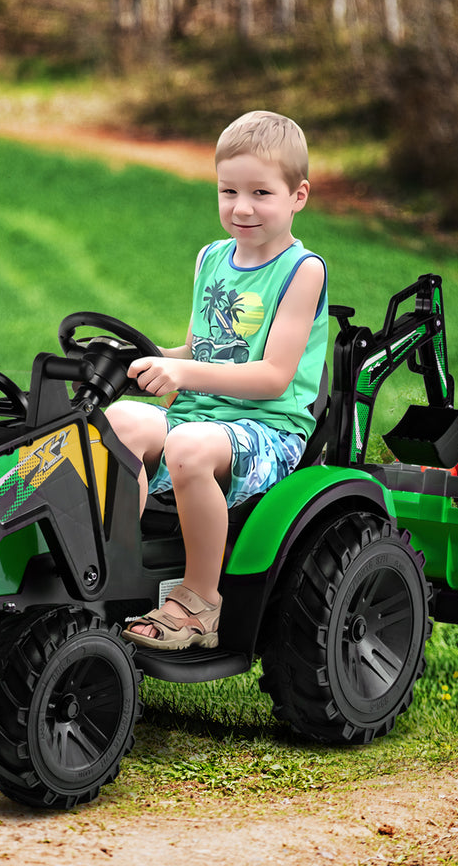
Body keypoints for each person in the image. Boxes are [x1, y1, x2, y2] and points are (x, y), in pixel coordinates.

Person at [108, 110, 328, 651]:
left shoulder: (303, 271)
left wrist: (181, 370)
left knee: (185, 446)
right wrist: (146, 357)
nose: (242, 207)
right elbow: (197, 348)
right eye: (229, 191)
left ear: (298, 196)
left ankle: (200, 601)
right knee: (114, 424)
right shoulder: (212, 258)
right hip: (198, 417)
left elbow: (274, 376)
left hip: (267, 432)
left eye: (261, 192)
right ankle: (105, 573)